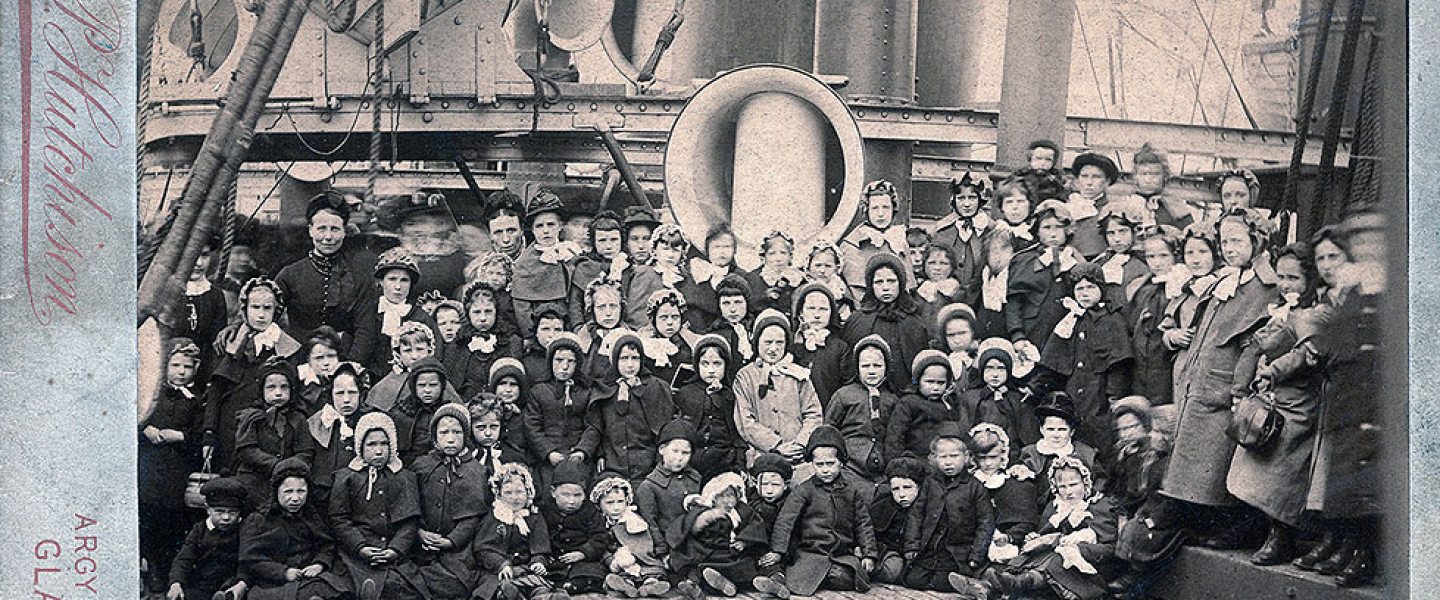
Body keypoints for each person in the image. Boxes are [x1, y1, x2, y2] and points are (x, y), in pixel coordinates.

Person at [1163, 207, 1278, 549]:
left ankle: (1228, 527)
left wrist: (1239, 389)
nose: (1229, 248)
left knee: (1221, 462)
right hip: (1201, 383)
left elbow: (1254, 342)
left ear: (1255, 242)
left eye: (1237, 241)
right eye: (1225, 241)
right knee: (1195, 462)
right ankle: (1196, 522)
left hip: (1228, 388)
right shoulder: (1226, 280)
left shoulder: (1264, 287)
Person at [1225, 243, 1322, 566]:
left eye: (1293, 278)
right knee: (1258, 465)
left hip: (1299, 399)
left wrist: (1274, 367)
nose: (1286, 284)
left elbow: (1306, 354)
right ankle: (1261, 528)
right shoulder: (1280, 309)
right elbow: (1259, 347)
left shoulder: (1313, 312)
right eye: (1281, 277)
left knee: (1284, 473)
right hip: (1272, 398)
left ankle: (1282, 536)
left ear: (1309, 279)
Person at [760, 425, 877, 596]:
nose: (825, 469)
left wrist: (869, 554)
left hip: (841, 554)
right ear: (812, 464)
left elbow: (863, 523)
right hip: (811, 553)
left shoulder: (851, 490)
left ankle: (827, 575)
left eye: (830, 463)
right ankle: (779, 583)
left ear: (841, 463)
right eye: (819, 464)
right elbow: (785, 520)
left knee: (849, 576)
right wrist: (778, 550)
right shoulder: (805, 490)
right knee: (803, 574)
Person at [203, 277, 302, 475]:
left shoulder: (287, 348)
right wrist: (209, 434)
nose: (261, 315)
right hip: (229, 427)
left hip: (267, 432)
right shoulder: (231, 342)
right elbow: (215, 393)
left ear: (276, 311)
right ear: (245, 308)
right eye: (255, 307)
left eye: (267, 308)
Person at [984, 456, 1119, 600]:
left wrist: (1078, 548)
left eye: (1073, 485)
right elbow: (1044, 532)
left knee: (1058, 557)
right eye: (1062, 487)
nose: (1068, 492)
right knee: (1034, 555)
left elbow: (1109, 549)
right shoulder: (1055, 507)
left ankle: (1023, 583)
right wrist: (1036, 538)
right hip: (1053, 561)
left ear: (1086, 482)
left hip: (1088, 568)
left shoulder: (1100, 507)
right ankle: (1008, 584)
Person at [1035, 262, 1135, 450]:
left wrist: (1114, 397)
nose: (1084, 293)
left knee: (1099, 437)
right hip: (1074, 390)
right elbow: (1055, 359)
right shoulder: (1070, 319)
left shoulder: (1111, 319)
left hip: (1099, 394)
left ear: (1101, 289)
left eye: (1090, 287)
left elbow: (1118, 366)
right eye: (1079, 289)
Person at [329, 412, 428, 600]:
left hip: (393, 553)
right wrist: (360, 547)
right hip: (356, 555)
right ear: (360, 447)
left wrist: (395, 550)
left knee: (403, 588)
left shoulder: (403, 477)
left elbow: (409, 522)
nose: (379, 450)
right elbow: (339, 520)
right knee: (348, 588)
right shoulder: (347, 478)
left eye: (384, 443)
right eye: (371, 444)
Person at [141, 338, 205, 592]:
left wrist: (179, 436)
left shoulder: (198, 400)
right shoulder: (151, 395)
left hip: (177, 469)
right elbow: (135, 418)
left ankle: (169, 572)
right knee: (148, 516)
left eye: (186, 367)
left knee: (172, 521)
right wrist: (145, 428)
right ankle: (150, 565)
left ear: (195, 369)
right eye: (175, 365)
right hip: (149, 465)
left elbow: (201, 434)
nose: (180, 372)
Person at [1105, 397, 1184, 599]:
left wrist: (1147, 517)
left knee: (1139, 533)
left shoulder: (1163, 460)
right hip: (1145, 507)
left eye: (1160, 432)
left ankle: (1134, 576)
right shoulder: (1130, 454)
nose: (1154, 436)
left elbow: (1163, 497)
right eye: (1153, 431)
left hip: (1162, 515)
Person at [901, 423, 993, 596]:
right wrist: (912, 546)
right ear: (935, 458)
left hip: (957, 551)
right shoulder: (931, 483)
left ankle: (971, 583)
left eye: (954, 456)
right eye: (943, 457)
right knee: (913, 580)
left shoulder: (974, 487)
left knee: (945, 580)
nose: (948, 462)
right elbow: (916, 515)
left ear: (966, 457)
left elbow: (985, 523)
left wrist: (976, 555)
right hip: (931, 548)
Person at [239, 457, 349, 600]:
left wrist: (319, 564)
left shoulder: (312, 517)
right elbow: (250, 560)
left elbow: (326, 546)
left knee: (332, 588)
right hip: (272, 583)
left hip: (307, 578)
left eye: (301, 491)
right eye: (288, 492)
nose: (295, 498)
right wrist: (283, 572)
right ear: (276, 491)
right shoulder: (259, 519)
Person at [411, 403, 489, 599]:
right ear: (435, 437)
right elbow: (410, 506)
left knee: (457, 582)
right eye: (444, 432)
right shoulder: (421, 466)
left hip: (458, 551)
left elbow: (473, 517)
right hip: (421, 547)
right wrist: (420, 532)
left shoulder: (476, 471)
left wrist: (449, 541)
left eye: (457, 432)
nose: (451, 438)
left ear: (466, 436)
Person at [274, 193, 374, 344]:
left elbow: (365, 330)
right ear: (310, 230)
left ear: (344, 231)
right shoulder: (289, 275)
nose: (328, 237)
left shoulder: (360, 276)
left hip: (345, 360)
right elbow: (267, 314)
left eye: (334, 229)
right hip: (299, 360)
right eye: (321, 229)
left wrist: (350, 364)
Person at [578, 332, 676, 483]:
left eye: (635, 358)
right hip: (613, 464)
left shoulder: (656, 387)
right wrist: (599, 454)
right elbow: (596, 427)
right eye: (624, 358)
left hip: (648, 466)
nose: (630, 365)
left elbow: (665, 429)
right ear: (615, 360)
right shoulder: (604, 389)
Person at [734, 310, 824, 470]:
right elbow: (745, 421)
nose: (773, 348)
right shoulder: (745, 377)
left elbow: (813, 413)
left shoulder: (798, 374)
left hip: (799, 457)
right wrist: (776, 445)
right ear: (757, 342)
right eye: (768, 342)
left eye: (779, 343)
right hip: (762, 455)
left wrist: (801, 443)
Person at [471, 463, 569, 600]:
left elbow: (541, 546)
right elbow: (483, 549)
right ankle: (512, 595)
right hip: (499, 571)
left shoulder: (533, 516)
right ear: (498, 494)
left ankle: (542, 596)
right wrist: (502, 565)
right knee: (499, 587)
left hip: (526, 568)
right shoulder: (495, 517)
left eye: (519, 492)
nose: (515, 497)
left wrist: (538, 562)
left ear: (528, 492)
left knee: (539, 584)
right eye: (508, 493)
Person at [668, 472, 770, 599]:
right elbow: (691, 528)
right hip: (709, 552)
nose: (727, 500)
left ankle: (737, 584)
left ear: (738, 496)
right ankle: (706, 585)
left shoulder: (743, 510)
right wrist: (706, 519)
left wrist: (745, 541)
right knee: (698, 567)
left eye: (731, 495)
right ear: (713, 498)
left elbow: (755, 525)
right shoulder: (706, 511)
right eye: (721, 496)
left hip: (732, 553)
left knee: (745, 565)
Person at [232, 360, 316, 508]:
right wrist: (275, 464)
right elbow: (246, 450)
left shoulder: (298, 418)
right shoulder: (251, 417)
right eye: (271, 387)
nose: (278, 392)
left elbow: (306, 451)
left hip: (288, 481)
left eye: (284, 387)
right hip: (254, 479)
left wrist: (289, 467)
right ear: (261, 390)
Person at [841, 253, 930, 391]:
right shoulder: (857, 320)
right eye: (879, 282)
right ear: (870, 285)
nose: (886, 287)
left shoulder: (914, 322)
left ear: (901, 283)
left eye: (891, 281)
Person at [1005, 200, 1082, 357]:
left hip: (1066, 334)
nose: (1053, 233)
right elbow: (1014, 302)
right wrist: (1017, 335)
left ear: (1067, 230)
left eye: (1058, 227)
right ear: (1037, 231)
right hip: (1032, 331)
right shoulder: (1025, 260)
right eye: (1047, 227)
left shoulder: (1075, 260)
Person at [351, 247, 441, 374]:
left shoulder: (421, 317)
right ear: (381, 281)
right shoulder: (367, 311)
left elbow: (436, 355)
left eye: (404, 280)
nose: (398, 287)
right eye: (392, 279)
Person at [824, 334, 899, 482]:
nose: (871, 371)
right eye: (865, 366)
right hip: (850, 465)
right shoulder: (843, 395)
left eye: (877, 366)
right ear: (857, 367)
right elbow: (829, 429)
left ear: (886, 367)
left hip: (882, 466)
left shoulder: (892, 399)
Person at [673, 334, 747, 479]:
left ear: (726, 365)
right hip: (691, 460)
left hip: (723, 460)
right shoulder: (686, 392)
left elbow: (736, 435)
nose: (711, 370)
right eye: (705, 364)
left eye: (717, 364)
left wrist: (739, 464)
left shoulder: (729, 395)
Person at [525, 333, 593, 488]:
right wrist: (549, 452)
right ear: (550, 362)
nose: (564, 366)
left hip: (577, 456)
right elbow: (532, 426)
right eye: (559, 360)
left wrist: (582, 451)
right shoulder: (539, 391)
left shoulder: (585, 392)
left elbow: (592, 426)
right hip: (549, 458)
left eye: (571, 361)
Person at [512, 189, 581, 341]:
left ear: (560, 226)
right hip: (539, 329)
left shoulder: (570, 253)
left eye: (551, 225)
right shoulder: (525, 262)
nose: (546, 231)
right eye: (539, 226)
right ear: (533, 230)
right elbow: (521, 306)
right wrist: (530, 335)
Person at [166, 477, 249, 600]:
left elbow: (249, 561)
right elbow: (184, 558)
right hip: (202, 585)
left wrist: (242, 583)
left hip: (233, 584)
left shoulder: (245, 529)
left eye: (232, 512)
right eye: (219, 511)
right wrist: (176, 583)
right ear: (208, 509)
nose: (226, 517)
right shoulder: (200, 530)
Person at [968, 424, 1040, 567]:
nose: (988, 463)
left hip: (1007, 542)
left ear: (1003, 454)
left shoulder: (1017, 484)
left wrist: (1009, 536)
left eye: (993, 457)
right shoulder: (969, 484)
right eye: (982, 458)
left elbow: (1026, 521)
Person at [1127, 229, 1184, 406]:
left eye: (1163, 256)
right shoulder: (1141, 288)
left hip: (1167, 363)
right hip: (1141, 364)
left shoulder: (1180, 285)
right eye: (1151, 257)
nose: (1157, 263)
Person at [959, 339, 1040, 462]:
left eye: (1001, 369)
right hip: (981, 452)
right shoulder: (971, 398)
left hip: (1012, 453)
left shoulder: (1017, 398)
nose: (995, 374)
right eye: (989, 368)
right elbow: (965, 428)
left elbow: (1027, 433)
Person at [1015, 393, 1101, 507]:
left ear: (1072, 431)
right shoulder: (1030, 454)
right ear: (1041, 430)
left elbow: (1100, 484)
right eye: (1050, 429)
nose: (1056, 435)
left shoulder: (1086, 453)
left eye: (1062, 429)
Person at [538, 459, 610, 596]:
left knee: (587, 575)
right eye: (565, 495)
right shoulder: (545, 509)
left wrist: (583, 553)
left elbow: (599, 537)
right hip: (555, 558)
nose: (571, 501)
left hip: (582, 560)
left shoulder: (590, 511)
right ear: (553, 492)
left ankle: (575, 586)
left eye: (577, 495)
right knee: (547, 576)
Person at [591, 477, 672, 597]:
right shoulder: (601, 525)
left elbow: (651, 536)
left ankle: (650, 586)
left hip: (646, 558)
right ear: (599, 504)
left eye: (620, 501)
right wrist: (611, 561)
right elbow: (602, 547)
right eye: (609, 503)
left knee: (653, 572)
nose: (616, 507)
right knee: (623, 575)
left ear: (627, 501)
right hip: (622, 562)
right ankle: (626, 586)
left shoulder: (634, 520)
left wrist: (661, 552)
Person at [635, 419, 704, 558]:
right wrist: (662, 550)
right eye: (675, 451)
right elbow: (651, 523)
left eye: (685, 453)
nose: (679, 458)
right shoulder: (650, 485)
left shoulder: (695, 478)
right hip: (671, 546)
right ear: (662, 450)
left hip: (697, 542)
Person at [445, 282, 525, 399]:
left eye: (488, 312)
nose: (483, 318)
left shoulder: (511, 342)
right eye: (477, 312)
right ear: (468, 314)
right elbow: (451, 385)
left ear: (496, 312)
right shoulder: (458, 344)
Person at [306, 362, 369, 505]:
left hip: (359, 495)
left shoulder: (371, 420)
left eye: (352, 393)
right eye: (340, 393)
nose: (346, 399)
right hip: (323, 496)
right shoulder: (317, 422)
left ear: (361, 394)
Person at [885, 349, 962, 460]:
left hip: (944, 460)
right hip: (916, 458)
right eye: (929, 382)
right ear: (918, 380)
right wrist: (896, 464)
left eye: (941, 383)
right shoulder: (909, 402)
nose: (935, 388)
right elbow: (895, 435)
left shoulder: (949, 403)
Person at [840, 180, 910, 298]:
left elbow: (908, 287)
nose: (881, 214)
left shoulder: (898, 240)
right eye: (875, 208)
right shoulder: (852, 244)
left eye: (886, 207)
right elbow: (856, 293)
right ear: (867, 210)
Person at [1064, 153, 1140, 259]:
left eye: (1096, 177)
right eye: (1084, 176)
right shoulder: (1066, 208)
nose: (1089, 182)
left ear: (1107, 182)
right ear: (1077, 180)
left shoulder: (1113, 212)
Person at [930, 172, 993, 298]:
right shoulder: (942, 230)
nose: (967, 204)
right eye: (961, 198)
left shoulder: (990, 230)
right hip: (946, 294)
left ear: (980, 199)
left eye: (972, 198)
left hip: (981, 295)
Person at [789, 282, 851, 408]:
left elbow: (847, 386)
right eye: (811, 308)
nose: (817, 315)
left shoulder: (840, 348)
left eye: (823, 309)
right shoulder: (791, 344)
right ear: (801, 312)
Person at [568, 210, 633, 330]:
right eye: (602, 240)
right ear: (593, 242)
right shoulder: (584, 266)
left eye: (614, 240)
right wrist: (579, 328)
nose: (608, 246)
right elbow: (575, 303)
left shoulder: (628, 267)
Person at [175, 241, 230, 381]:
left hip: (203, 372)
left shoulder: (215, 295)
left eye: (205, 255)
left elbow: (216, 343)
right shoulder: (168, 293)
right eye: (193, 256)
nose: (199, 263)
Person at [870, 457, 925, 584]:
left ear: (919, 487)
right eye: (896, 489)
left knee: (894, 571)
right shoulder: (882, 504)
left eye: (907, 487)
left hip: (909, 555)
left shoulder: (924, 508)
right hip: (883, 550)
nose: (901, 494)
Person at [682, 224, 746, 331]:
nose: (722, 252)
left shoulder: (742, 276)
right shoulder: (696, 276)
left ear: (734, 250)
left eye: (727, 247)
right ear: (707, 250)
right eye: (716, 247)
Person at [627, 224, 690, 329]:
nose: (670, 255)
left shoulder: (684, 277)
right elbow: (635, 311)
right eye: (665, 249)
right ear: (654, 250)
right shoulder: (645, 273)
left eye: (675, 250)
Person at [391, 356, 450, 465]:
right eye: (422, 385)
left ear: (442, 386)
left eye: (433, 385)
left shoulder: (448, 412)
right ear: (413, 386)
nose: (427, 390)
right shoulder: (401, 413)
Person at [1128, 144, 1195, 232]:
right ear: (1135, 176)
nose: (1148, 180)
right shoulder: (1127, 204)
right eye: (1143, 174)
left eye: (1155, 174)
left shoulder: (1174, 205)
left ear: (1165, 176)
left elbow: (1188, 233)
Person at [1092, 206, 1152, 302]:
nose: (1117, 239)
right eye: (1111, 233)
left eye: (1122, 232)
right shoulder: (1102, 261)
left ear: (1134, 231)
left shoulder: (1147, 260)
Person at [640, 289, 695, 393]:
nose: (670, 322)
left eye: (675, 317)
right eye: (664, 317)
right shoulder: (646, 345)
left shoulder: (688, 344)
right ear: (654, 320)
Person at [744, 230, 806, 318]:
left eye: (783, 253)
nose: (778, 258)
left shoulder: (798, 279)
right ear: (763, 257)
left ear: (790, 256)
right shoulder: (753, 278)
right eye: (772, 253)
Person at [971, 229, 1015, 341]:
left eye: (1004, 250)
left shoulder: (1014, 279)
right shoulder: (985, 277)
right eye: (994, 251)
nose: (998, 256)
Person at [708, 275, 757, 374]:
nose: (733, 309)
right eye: (726, 303)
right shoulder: (714, 335)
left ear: (747, 303)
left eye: (738, 302)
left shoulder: (756, 330)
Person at [296, 327, 347, 413]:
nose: (326, 363)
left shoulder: (346, 379)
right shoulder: (302, 384)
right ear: (309, 360)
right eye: (319, 358)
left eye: (331, 356)